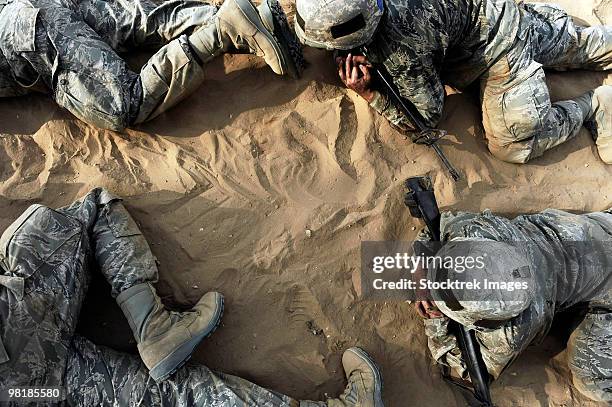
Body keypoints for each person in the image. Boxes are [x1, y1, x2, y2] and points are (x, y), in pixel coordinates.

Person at [0, 188, 384, 406]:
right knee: (94, 208)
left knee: (174, 398)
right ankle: (153, 325)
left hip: (27, 390)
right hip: (18, 322)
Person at [294, 0, 611, 164]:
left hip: (497, 46)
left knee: (514, 146)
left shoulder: (399, 46)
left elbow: (426, 116)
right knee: (581, 45)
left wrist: (367, 92)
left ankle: (593, 105)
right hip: (492, 11)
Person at [0, 0, 304, 131]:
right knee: (138, 23)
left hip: (26, 35)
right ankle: (254, 19)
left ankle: (221, 30)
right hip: (26, 8)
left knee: (124, 105)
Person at [412, 208, 612, 402]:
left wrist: (435, 321)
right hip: (599, 229)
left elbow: (466, 368)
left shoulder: (518, 328)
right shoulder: (481, 230)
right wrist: (423, 282)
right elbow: (433, 229)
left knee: (592, 381)